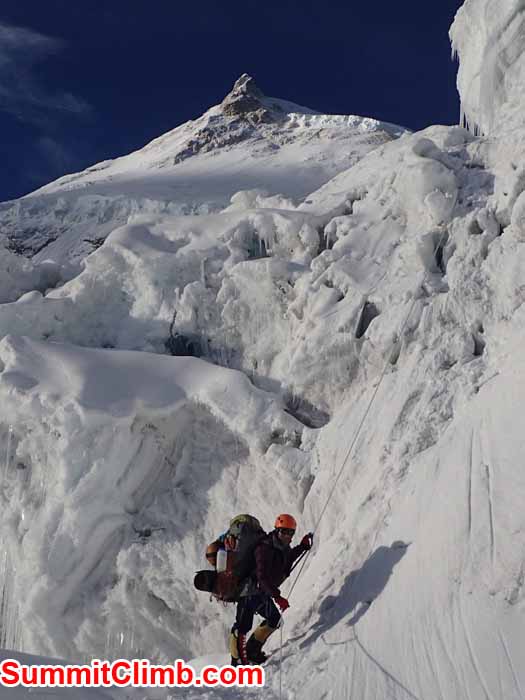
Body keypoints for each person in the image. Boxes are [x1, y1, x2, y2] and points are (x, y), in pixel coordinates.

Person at [229, 514, 313, 665]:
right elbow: (261, 576)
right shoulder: (264, 548)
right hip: (248, 592)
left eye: (290, 532)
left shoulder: (282, 548)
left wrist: (302, 547)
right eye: (284, 531)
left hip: (261, 593)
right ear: (277, 530)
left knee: (274, 620)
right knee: (242, 628)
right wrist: (278, 597)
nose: (287, 536)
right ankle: (237, 663)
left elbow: (288, 559)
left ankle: (252, 652)